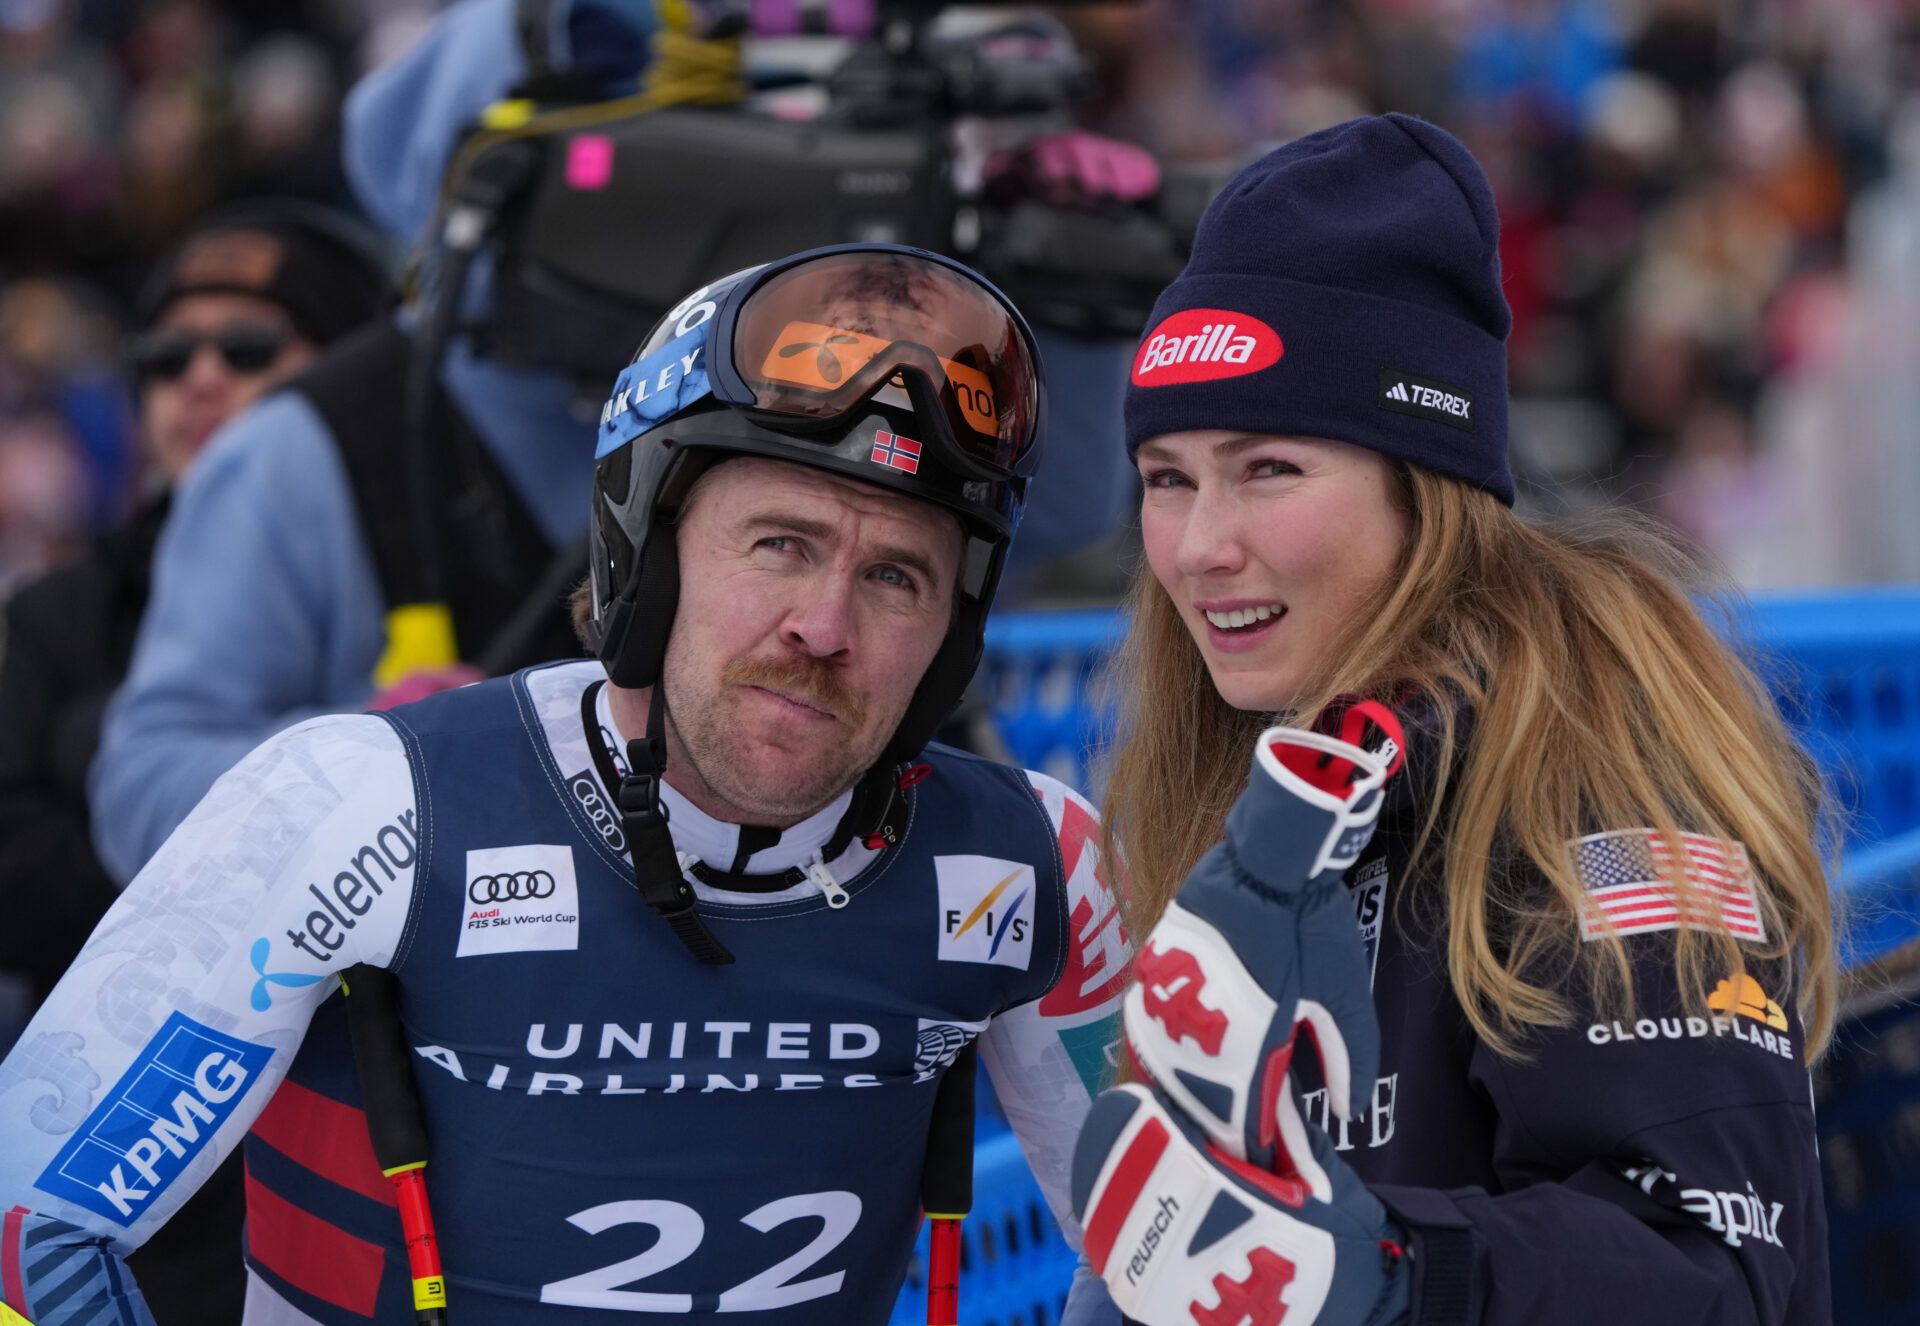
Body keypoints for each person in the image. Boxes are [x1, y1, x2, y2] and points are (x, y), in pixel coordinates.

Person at [0, 243, 1129, 1326]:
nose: (824, 627)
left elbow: (1167, 1248)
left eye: (896, 576)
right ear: (646, 550)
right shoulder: (359, 805)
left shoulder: (1030, 863)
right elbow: (27, 1222)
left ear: (953, 631)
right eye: (780, 543)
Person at [1065, 114, 1834, 1326]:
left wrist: (1389, 1274)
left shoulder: (1596, 775)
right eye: (1169, 478)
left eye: (1269, 468)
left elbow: (1716, 1261)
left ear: (1422, 485)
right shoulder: (1267, 756)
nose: (1202, 546)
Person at [0, 202, 393, 1326]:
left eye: (253, 349)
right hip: (122, 1149)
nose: (201, 378)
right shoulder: (61, 610)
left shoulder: (414, 556)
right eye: (166, 357)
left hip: (348, 1145)